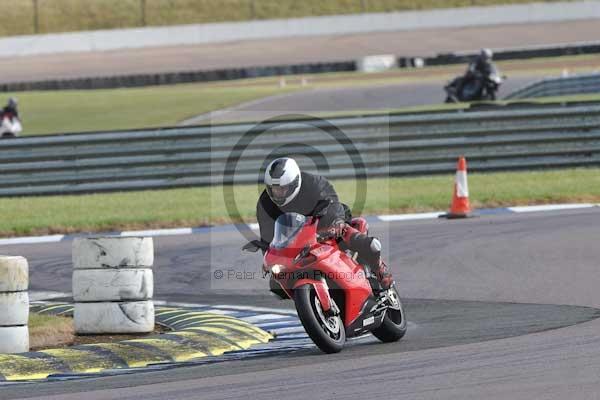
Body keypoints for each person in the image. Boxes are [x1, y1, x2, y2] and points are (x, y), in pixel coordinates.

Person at [256, 157, 394, 291]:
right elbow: (267, 237)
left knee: (349, 234)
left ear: (294, 183)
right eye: (274, 189)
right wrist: (270, 260)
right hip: (296, 240)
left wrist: (337, 222)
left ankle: (379, 269)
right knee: (276, 284)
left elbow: (332, 204)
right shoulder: (265, 203)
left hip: (325, 224)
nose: (278, 194)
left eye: (282, 189)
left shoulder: (314, 183)